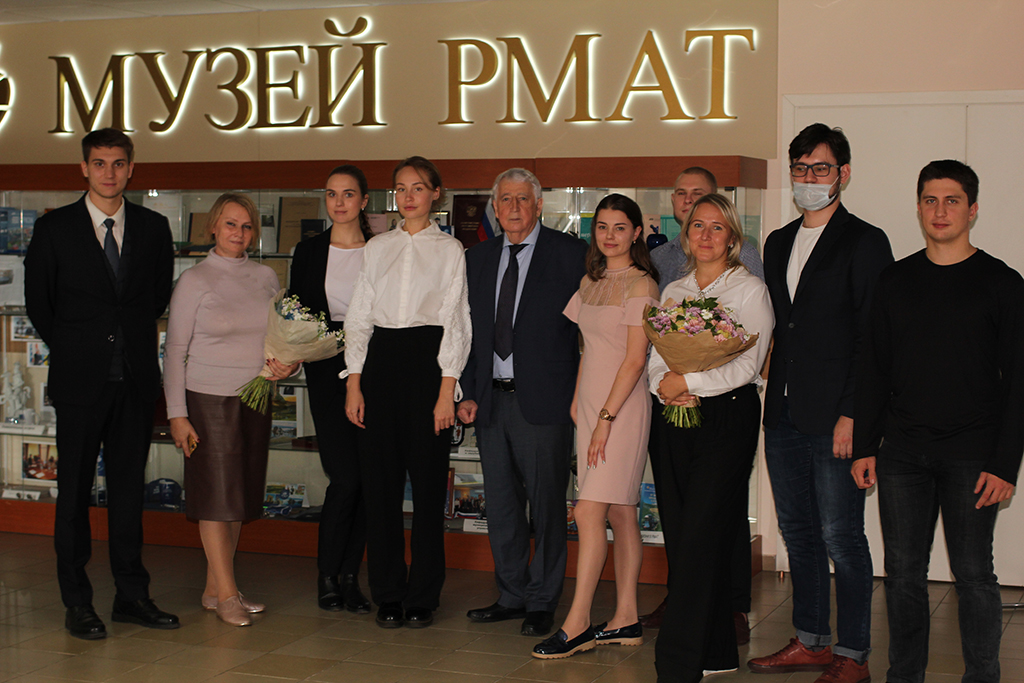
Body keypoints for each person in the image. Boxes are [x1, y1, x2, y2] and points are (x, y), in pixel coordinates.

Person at [852, 160, 1024, 683]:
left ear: (973, 210)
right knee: (903, 575)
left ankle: (982, 677)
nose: (940, 210)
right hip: (902, 454)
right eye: (930, 200)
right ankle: (904, 676)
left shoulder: (1003, 283)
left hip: (974, 456)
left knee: (974, 576)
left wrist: (1005, 464)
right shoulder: (894, 280)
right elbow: (873, 369)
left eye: (952, 200)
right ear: (919, 208)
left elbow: (1019, 381)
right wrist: (865, 446)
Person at [750, 123, 893, 683]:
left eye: (821, 168)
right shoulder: (778, 241)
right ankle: (811, 640)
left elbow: (872, 339)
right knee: (799, 533)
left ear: (843, 174)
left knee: (842, 537)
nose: (809, 178)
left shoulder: (865, 241)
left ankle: (853, 654)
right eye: (800, 168)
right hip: (783, 412)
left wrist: (854, 414)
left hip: (837, 415)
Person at [24, 128, 178, 640]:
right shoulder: (54, 229)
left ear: (131, 168)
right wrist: (79, 346)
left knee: (128, 493)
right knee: (73, 494)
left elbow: (155, 298)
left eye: (118, 163)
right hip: (79, 383)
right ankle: (78, 602)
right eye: (99, 163)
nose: (109, 173)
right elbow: (40, 304)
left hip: (134, 381)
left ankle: (131, 596)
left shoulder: (153, 228)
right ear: (84, 168)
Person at [648, 193, 774, 682]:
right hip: (675, 412)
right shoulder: (675, 289)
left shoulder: (749, 290)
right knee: (683, 532)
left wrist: (691, 381)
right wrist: (665, 386)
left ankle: (677, 663)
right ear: (685, 236)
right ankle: (716, 649)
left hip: (727, 417)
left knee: (701, 532)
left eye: (717, 227)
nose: (705, 235)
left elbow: (748, 365)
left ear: (733, 238)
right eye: (697, 226)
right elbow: (658, 352)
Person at [459, 168, 588, 637]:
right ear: (495, 208)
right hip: (490, 401)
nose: (514, 208)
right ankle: (511, 594)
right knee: (502, 505)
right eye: (506, 200)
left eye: (523, 199)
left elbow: (588, 332)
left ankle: (542, 600)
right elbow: (469, 333)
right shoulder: (476, 258)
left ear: (539, 205)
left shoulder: (571, 254)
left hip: (547, 403)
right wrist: (467, 392)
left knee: (548, 506)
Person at [344, 156, 470, 629]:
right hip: (379, 364)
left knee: (428, 487)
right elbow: (359, 316)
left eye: (418, 187)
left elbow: (456, 320)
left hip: (427, 367)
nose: (408, 196)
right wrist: (354, 383)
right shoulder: (378, 247)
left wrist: (446, 390)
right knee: (380, 489)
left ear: (436, 193)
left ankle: (423, 595)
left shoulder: (450, 249)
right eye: (400, 188)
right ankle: (389, 593)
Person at [531, 194, 659, 659]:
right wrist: (577, 401)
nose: (609, 235)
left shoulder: (643, 284)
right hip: (589, 406)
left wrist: (605, 418)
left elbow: (634, 359)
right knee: (620, 511)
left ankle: (578, 623)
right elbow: (588, 347)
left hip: (621, 409)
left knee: (587, 512)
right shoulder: (591, 280)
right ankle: (626, 618)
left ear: (636, 233)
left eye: (619, 227)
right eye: (601, 227)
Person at [164, 193, 299, 627]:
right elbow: (174, 351)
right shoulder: (193, 280)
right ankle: (227, 595)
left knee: (237, 497)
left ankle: (213, 588)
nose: (238, 233)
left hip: (255, 398)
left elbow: (281, 337)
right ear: (212, 228)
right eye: (230, 224)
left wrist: (289, 362)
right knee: (214, 499)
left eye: (246, 226)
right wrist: (177, 414)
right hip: (207, 399)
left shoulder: (265, 277)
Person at [290, 165, 371, 614]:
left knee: (368, 479)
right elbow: (296, 313)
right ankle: (327, 574)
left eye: (348, 194)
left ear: (364, 200)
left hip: (374, 373)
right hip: (325, 371)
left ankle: (350, 577)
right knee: (345, 476)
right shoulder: (308, 251)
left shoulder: (381, 250)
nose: (339, 203)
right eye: (332, 194)